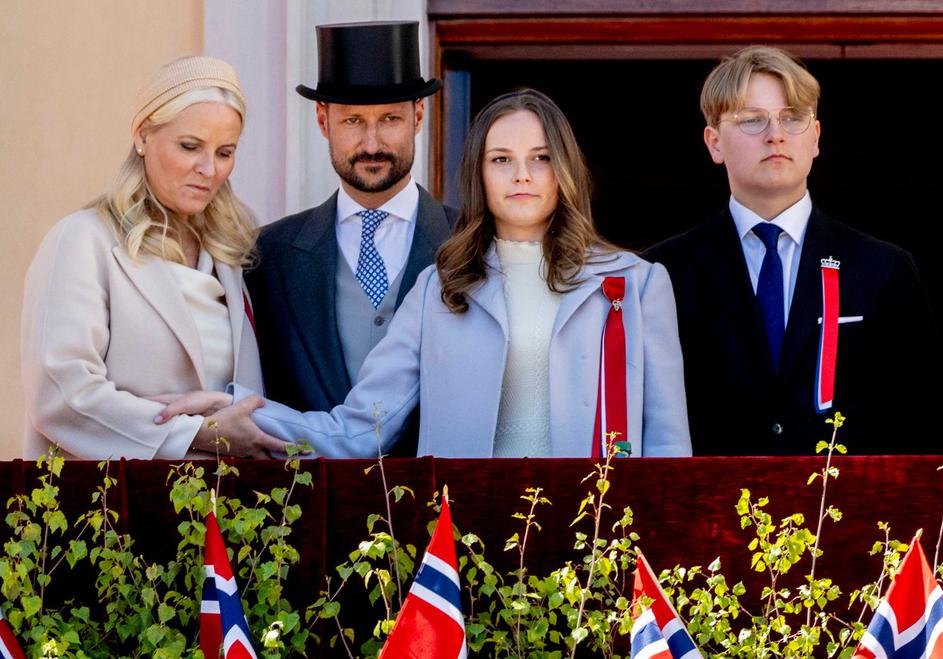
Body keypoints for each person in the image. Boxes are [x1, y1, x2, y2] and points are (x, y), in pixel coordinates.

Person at [156, 89, 691, 459]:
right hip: (468, 556)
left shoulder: (635, 285)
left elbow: (669, 451)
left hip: (595, 552)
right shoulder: (439, 288)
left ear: (564, 169)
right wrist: (236, 409)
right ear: (479, 174)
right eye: (501, 159)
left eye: (541, 158)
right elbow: (359, 430)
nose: (522, 175)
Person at [644, 46, 940, 455]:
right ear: (714, 143)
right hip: (710, 496)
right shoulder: (662, 272)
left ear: (815, 137)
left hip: (846, 496)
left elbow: (922, 423)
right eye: (752, 119)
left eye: (792, 117)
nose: (775, 134)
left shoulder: (883, 269)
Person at [21, 56, 282, 460]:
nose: (209, 169)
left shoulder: (231, 257)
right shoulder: (82, 240)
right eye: (190, 146)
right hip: (110, 495)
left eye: (225, 152)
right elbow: (61, 395)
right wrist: (197, 433)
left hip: (225, 497)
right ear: (142, 136)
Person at [245, 21, 457, 456]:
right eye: (353, 121)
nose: (372, 143)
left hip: (441, 496)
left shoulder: (473, 244)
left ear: (418, 116)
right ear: (323, 121)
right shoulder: (267, 256)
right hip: (304, 495)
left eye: (390, 119)